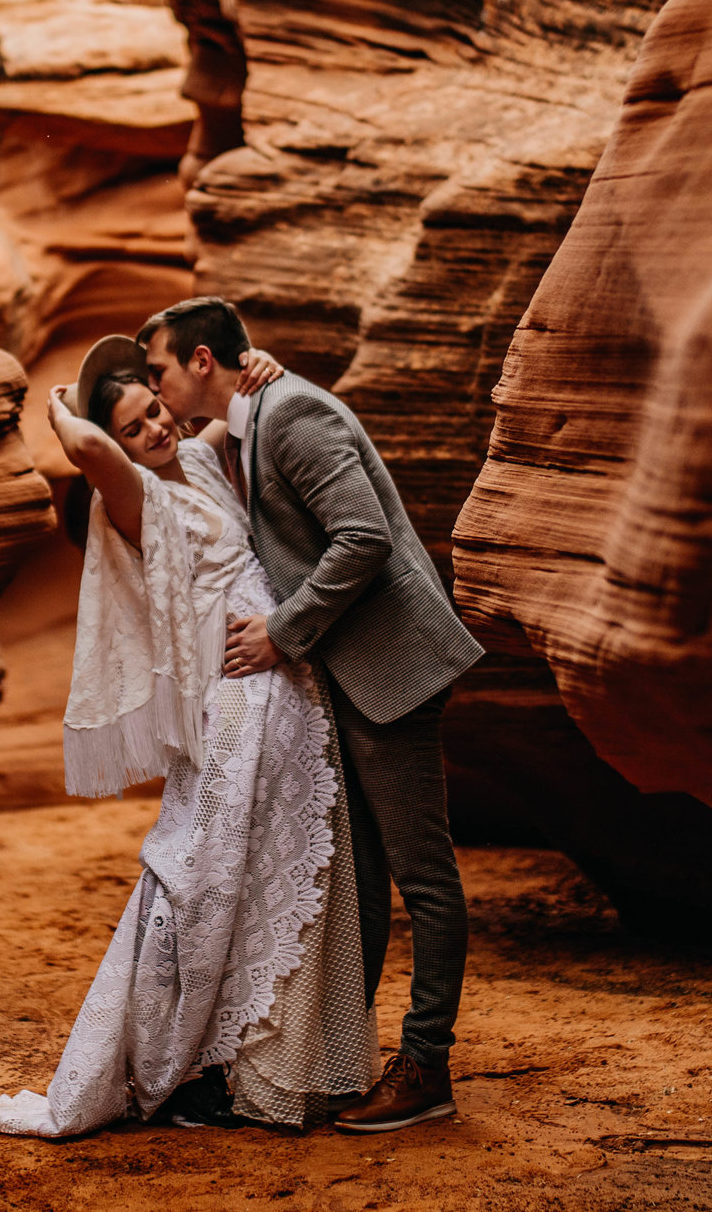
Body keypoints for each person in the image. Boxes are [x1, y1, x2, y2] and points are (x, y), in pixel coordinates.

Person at [0, 335, 377, 1137]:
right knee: (200, 870)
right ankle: (173, 1063)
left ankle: (252, 1067)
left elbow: (227, 409)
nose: (154, 430)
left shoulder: (203, 462)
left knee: (270, 874)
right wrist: (62, 406)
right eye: (136, 425)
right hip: (233, 700)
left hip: (286, 688)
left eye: (154, 411)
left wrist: (265, 367)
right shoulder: (136, 496)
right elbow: (88, 449)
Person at [138, 296, 483, 1133]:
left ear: (203, 363)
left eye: (158, 371)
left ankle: (427, 1066)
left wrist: (281, 634)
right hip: (348, 675)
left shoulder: (293, 412)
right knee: (359, 880)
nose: (156, 389)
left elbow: (361, 535)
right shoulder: (251, 417)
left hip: (391, 668)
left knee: (423, 877)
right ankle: (330, 1059)